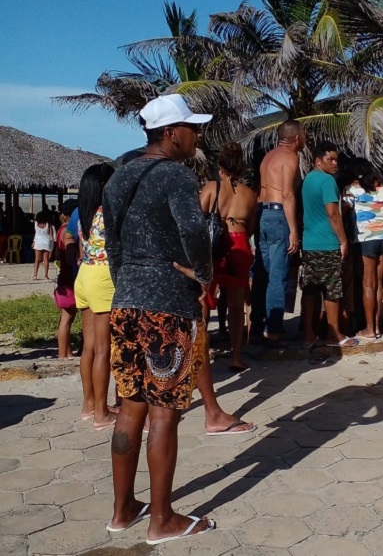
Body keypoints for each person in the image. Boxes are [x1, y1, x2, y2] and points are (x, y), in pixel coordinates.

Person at [103, 93, 216, 543]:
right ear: (171, 134)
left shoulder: (118, 178)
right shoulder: (176, 175)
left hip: (127, 300)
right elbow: (192, 229)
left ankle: (122, 509)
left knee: (130, 408)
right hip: (168, 302)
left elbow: (112, 242)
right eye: (192, 128)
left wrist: (127, 282)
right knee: (164, 413)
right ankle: (162, 519)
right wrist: (204, 273)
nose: (197, 135)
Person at [200, 143, 258, 372]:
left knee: (204, 300)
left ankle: (201, 356)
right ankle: (236, 355)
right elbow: (251, 227)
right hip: (240, 243)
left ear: (220, 167)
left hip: (214, 246)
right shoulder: (250, 194)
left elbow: (197, 220)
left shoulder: (211, 188)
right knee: (236, 305)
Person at [74, 163, 118, 429]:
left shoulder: (84, 214)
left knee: (89, 347)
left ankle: (89, 404)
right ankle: (102, 413)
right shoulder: (107, 213)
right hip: (103, 277)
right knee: (104, 348)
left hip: (85, 275)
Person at [300, 141, 356, 348]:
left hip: (309, 242)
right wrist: (343, 240)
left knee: (310, 290)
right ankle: (334, 333)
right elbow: (333, 213)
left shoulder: (308, 180)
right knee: (332, 290)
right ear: (317, 160)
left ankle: (308, 334)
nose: (334, 164)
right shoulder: (327, 181)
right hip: (328, 242)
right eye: (330, 159)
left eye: (336, 160)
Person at [255, 120, 305, 343]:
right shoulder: (290, 157)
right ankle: (274, 328)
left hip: (263, 213)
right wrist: (293, 230)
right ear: (296, 138)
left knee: (263, 273)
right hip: (278, 215)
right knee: (278, 273)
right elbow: (287, 195)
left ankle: (257, 325)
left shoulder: (268, 157)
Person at [343, 160, 383, 340]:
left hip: (367, 239)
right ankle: (376, 325)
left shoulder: (352, 192)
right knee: (378, 282)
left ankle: (368, 328)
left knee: (368, 283)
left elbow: (343, 210)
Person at [53, 200, 79, 358]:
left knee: (66, 318)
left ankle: (67, 352)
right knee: (66, 319)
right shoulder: (67, 231)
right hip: (69, 276)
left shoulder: (60, 230)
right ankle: (62, 354)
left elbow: (57, 254)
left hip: (64, 274)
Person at [32, 210, 55, 280]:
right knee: (46, 259)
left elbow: (36, 233)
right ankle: (46, 275)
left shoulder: (36, 224)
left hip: (38, 242)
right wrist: (52, 245)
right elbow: (51, 235)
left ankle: (35, 275)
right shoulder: (48, 224)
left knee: (37, 259)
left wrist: (34, 242)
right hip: (46, 242)